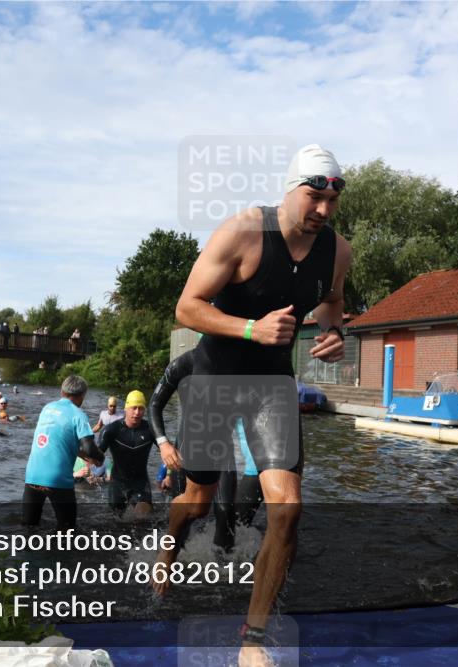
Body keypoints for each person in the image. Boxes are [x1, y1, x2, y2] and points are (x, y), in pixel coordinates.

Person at [153, 144, 352, 663]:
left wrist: (334, 333)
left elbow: (332, 302)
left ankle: (254, 640)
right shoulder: (244, 231)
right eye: (313, 198)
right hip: (216, 378)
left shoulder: (337, 251)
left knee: (288, 508)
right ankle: (169, 547)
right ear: (289, 190)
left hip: (271, 384)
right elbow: (187, 307)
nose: (323, 211)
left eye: (333, 201)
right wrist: (250, 328)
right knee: (198, 500)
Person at [148, 351, 261, 551]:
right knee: (188, 513)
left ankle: (224, 565)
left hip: (222, 450)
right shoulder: (183, 364)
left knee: (225, 511)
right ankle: (171, 554)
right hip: (186, 450)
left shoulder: (238, 366)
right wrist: (163, 444)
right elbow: (154, 405)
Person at [22, 375, 103, 530]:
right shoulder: (78, 414)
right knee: (67, 529)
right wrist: (101, 457)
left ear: (62, 391)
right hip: (58, 479)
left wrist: (83, 455)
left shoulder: (47, 408)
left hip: (33, 475)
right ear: (82, 396)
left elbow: (59, 442)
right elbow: (89, 448)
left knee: (28, 527)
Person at [98, 390, 156, 516]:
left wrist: (168, 475)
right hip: (117, 481)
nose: (137, 412)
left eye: (141, 408)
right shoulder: (111, 430)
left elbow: (168, 451)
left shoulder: (151, 429)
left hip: (140, 482)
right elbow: (96, 455)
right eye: (133, 408)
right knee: (115, 520)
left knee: (144, 516)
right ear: (126, 408)